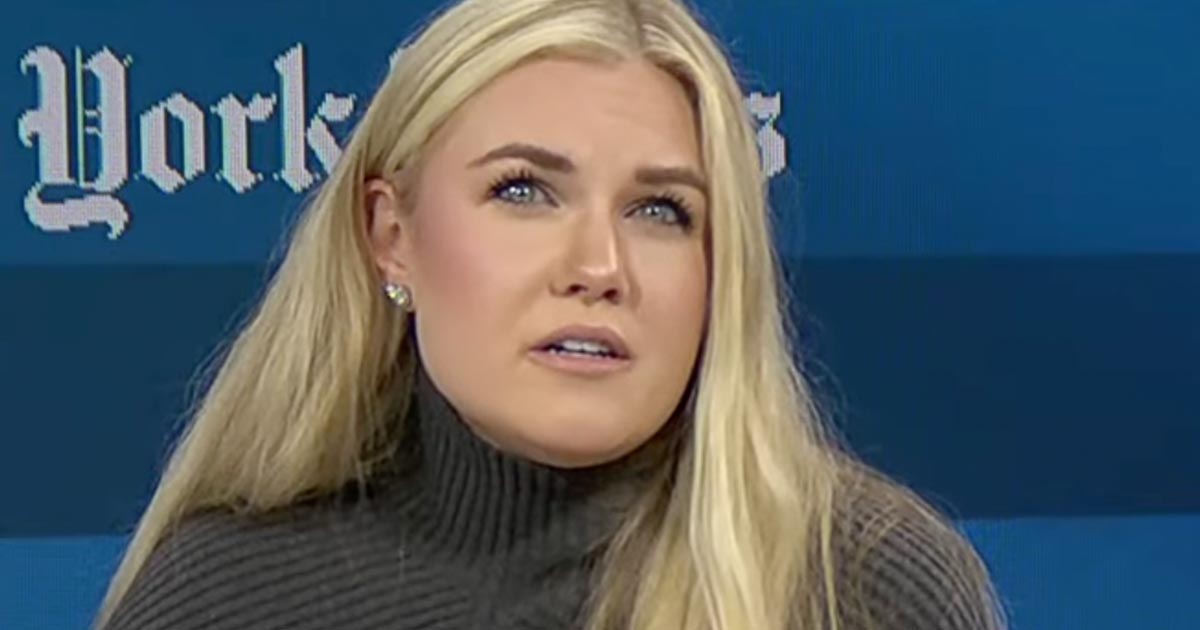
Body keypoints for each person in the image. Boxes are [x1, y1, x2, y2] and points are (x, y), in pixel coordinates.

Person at [96, 0, 1008, 628]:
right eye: (523, 191)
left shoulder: (867, 590)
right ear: (391, 236)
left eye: (661, 211)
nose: (600, 267)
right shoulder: (224, 599)